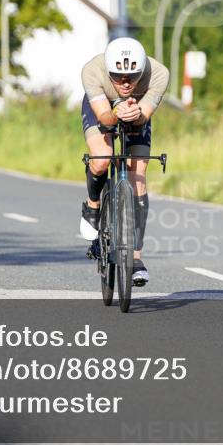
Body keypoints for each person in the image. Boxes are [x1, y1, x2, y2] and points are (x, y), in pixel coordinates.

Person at [79, 37, 169, 287]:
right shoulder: (92, 70)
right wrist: (116, 113)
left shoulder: (159, 73)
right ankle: (93, 205)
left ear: (142, 71)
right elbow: (104, 117)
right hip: (102, 107)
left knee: (137, 176)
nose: (126, 83)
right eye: (118, 77)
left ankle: (136, 257)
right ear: (109, 71)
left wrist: (136, 114)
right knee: (102, 158)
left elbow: (144, 117)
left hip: (136, 111)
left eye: (133, 76)